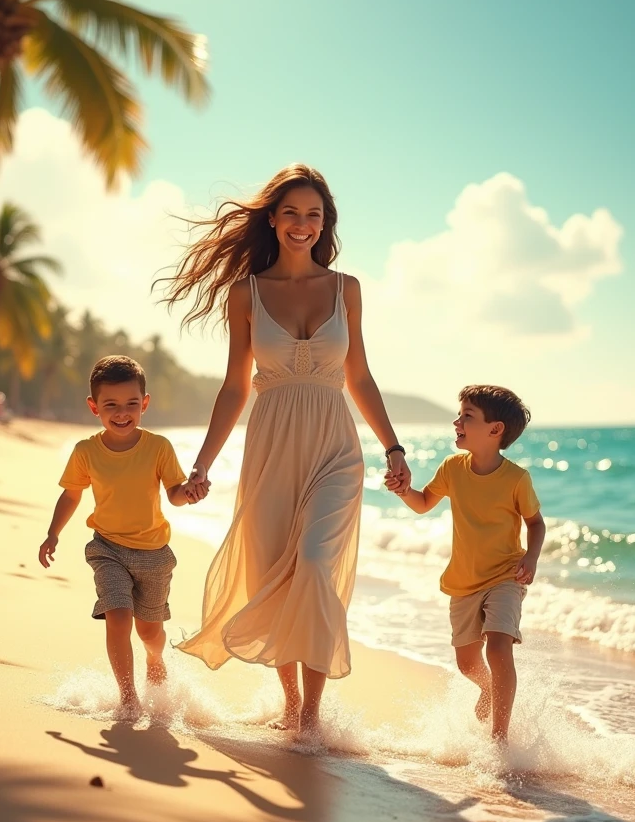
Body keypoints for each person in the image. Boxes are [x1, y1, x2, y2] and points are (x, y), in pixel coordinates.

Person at [162, 164, 411, 735]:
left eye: (314, 215)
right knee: (276, 567)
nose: (303, 224)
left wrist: (393, 448)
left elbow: (361, 377)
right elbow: (234, 385)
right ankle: (292, 703)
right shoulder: (244, 294)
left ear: (325, 225)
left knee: (317, 567)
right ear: (273, 220)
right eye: (292, 213)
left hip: (334, 445)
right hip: (270, 447)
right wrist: (202, 464)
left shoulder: (346, 288)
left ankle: (313, 715)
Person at [38, 356, 203, 717]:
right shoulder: (85, 451)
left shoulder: (159, 447)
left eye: (131, 404)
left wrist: (188, 493)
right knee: (117, 614)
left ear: (145, 403)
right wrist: (53, 533)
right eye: (111, 405)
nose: (122, 413)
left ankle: (155, 658)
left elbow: (174, 492)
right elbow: (71, 495)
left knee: (149, 633)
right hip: (107, 548)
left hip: (154, 554)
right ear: (94, 406)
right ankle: (129, 698)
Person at [385, 384, 545, 743]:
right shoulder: (453, 467)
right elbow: (424, 502)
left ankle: (498, 736)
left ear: (495, 429)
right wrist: (402, 489)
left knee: (498, 645)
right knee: (467, 663)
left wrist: (531, 557)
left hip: (506, 575)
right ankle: (487, 689)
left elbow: (536, 523)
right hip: (463, 581)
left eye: (467, 416)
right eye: (459, 415)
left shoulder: (516, 478)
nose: (456, 421)